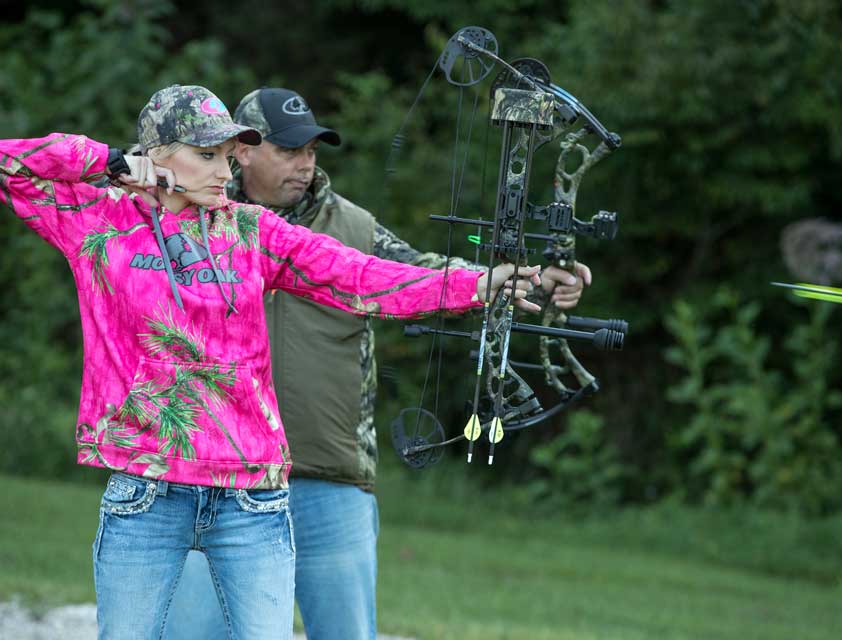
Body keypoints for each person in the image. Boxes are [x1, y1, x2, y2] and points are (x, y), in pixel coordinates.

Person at [0, 84, 541, 640]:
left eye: (227, 155)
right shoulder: (96, 220)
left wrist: (477, 283)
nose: (225, 171)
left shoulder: (252, 232)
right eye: (206, 155)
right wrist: (109, 160)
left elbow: (362, 278)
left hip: (250, 496)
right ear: (157, 158)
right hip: (146, 487)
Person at [164, 88, 591, 640]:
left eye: (313, 151)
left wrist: (530, 281)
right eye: (290, 150)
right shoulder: (187, 222)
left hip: (330, 479)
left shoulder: (356, 229)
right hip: (215, 477)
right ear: (242, 150)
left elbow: (429, 275)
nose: (306, 163)